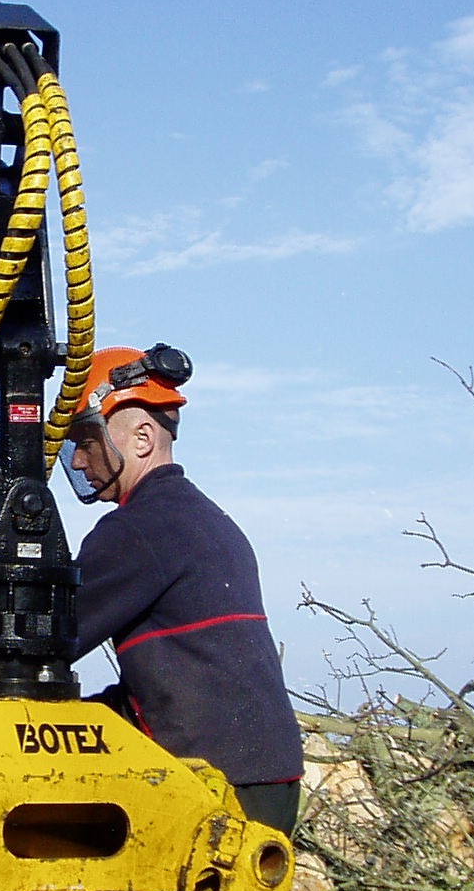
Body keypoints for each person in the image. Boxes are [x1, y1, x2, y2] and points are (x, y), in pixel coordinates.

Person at [60, 344, 304, 834]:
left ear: (143, 438)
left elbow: (37, 644)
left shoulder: (138, 529)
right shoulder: (208, 521)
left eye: (86, 441)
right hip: (267, 776)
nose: (81, 462)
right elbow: (190, 676)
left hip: (215, 786)